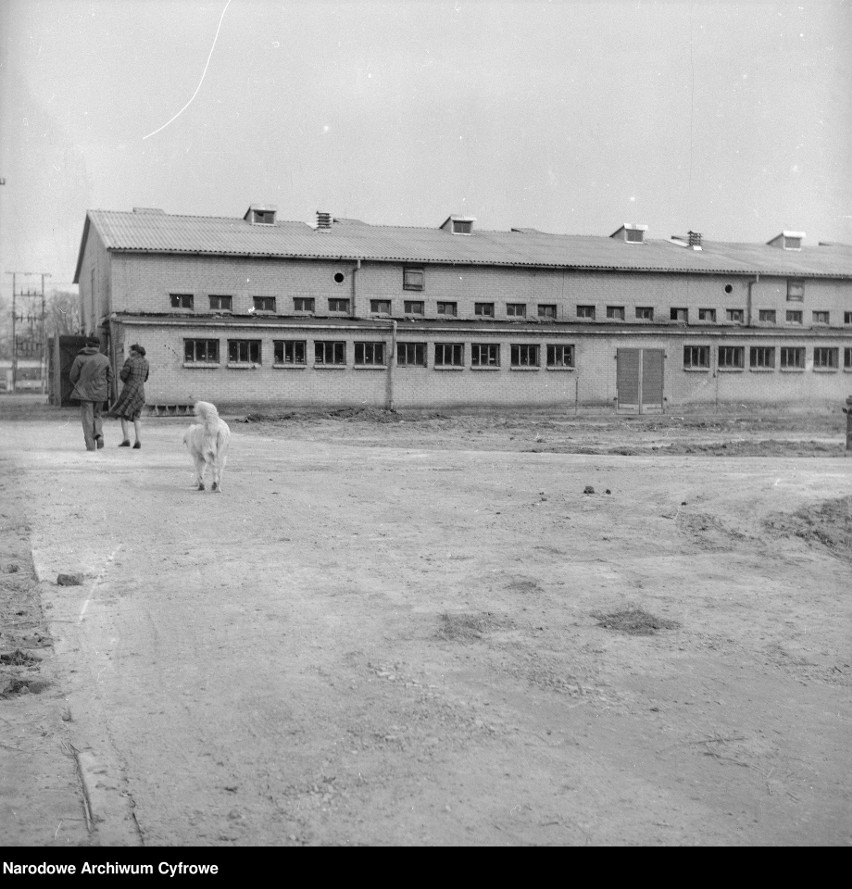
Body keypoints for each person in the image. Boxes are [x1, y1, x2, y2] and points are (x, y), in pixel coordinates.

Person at [69, 336, 112, 451]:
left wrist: (79, 385)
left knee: (87, 418)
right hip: (100, 393)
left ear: (86, 345)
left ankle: (90, 446)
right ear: (98, 347)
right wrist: (103, 387)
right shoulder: (105, 359)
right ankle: (99, 435)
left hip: (85, 393)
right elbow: (110, 377)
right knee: (97, 415)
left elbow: (72, 376)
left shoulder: (79, 358)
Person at [109, 344, 150, 449]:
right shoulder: (146, 362)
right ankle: (138, 440)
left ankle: (126, 439)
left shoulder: (130, 361)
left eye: (130, 350)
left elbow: (123, 375)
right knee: (137, 416)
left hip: (129, 390)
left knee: (123, 414)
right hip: (140, 391)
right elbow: (145, 378)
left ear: (134, 351)